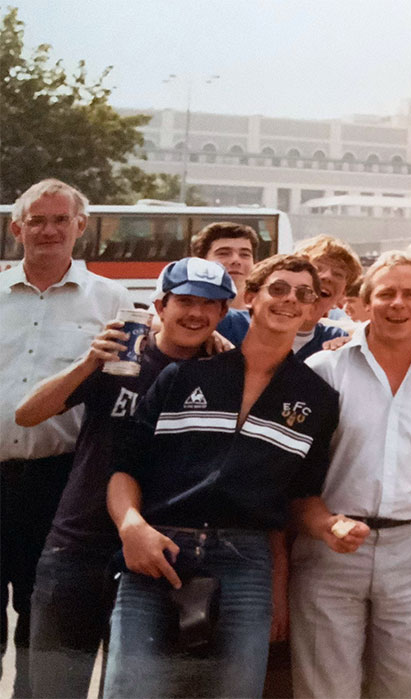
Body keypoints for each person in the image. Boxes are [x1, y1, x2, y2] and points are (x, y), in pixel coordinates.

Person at [102, 254, 339, 698]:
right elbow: (125, 467)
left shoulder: (317, 398)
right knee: (132, 690)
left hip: (245, 561)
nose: (290, 300)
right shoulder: (184, 375)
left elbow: (299, 498)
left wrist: (325, 532)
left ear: (313, 309)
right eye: (279, 289)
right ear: (250, 297)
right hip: (158, 548)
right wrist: (131, 527)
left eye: (304, 294)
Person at [15, 258, 234, 698]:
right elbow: (28, 414)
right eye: (185, 301)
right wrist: (88, 363)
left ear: (224, 314)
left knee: (132, 691)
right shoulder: (122, 356)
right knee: (53, 689)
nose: (196, 313)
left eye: (210, 305)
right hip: (78, 545)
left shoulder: (221, 373)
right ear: (160, 304)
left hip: (157, 554)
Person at [290, 252, 411, 698]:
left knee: (407, 692)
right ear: (363, 301)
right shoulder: (324, 370)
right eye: (386, 293)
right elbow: (294, 475)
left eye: (410, 294)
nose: (398, 303)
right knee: (325, 692)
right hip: (330, 553)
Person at [0, 178, 131, 696]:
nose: (48, 230)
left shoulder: (113, 300)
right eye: (37, 220)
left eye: (60, 220)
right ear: (17, 229)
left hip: (61, 484)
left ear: (80, 227)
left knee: (45, 620)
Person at [191, 221, 259, 343]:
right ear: (202, 260)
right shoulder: (184, 297)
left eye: (245, 254)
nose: (236, 260)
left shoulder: (264, 305)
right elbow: (154, 320)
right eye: (223, 253)